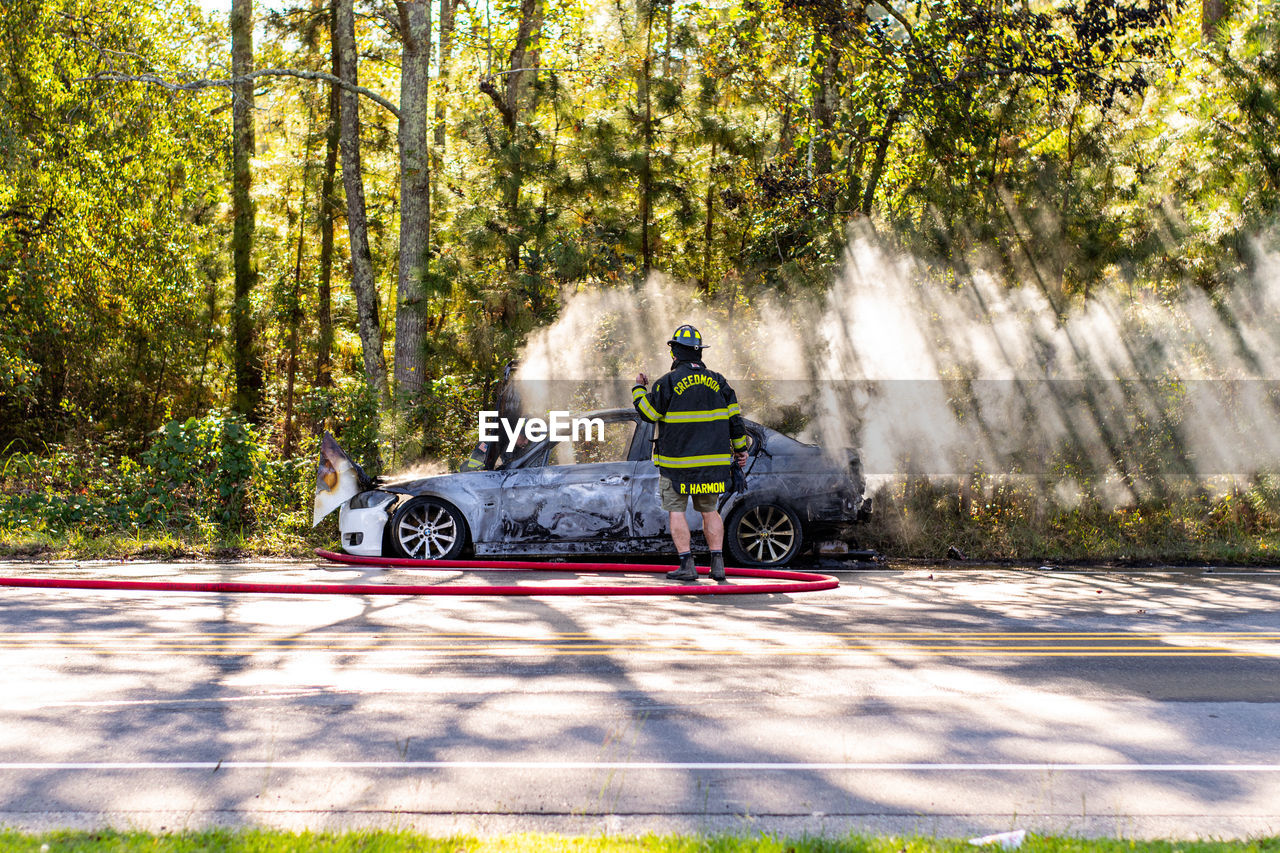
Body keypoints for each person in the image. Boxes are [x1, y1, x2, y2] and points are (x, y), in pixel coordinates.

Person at [632, 324, 749, 582]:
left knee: (677, 511)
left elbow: (648, 413)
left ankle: (687, 565)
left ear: (674, 352)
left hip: (677, 466)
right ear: (698, 353)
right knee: (710, 512)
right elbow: (735, 421)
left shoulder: (668, 382)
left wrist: (639, 388)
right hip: (712, 466)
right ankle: (717, 565)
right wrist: (741, 450)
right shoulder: (719, 382)